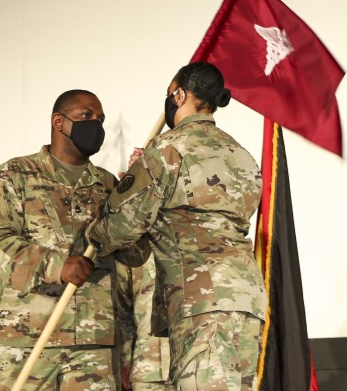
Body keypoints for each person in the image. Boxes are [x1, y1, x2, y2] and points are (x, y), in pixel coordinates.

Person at [89, 62, 266, 391]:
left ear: (180, 95)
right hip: (246, 298)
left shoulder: (167, 149)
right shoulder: (240, 153)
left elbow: (123, 225)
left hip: (201, 299)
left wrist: (95, 233)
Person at [0, 90, 118, 390]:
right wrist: (57, 267)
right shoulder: (15, 174)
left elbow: (128, 261)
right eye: (86, 116)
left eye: (101, 119)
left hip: (92, 344)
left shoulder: (109, 186)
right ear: (59, 121)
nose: (96, 124)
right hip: (26, 339)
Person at [115, 256, 173, 391]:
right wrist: (125, 360)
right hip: (149, 368)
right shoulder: (133, 249)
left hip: (201, 366)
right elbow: (121, 309)